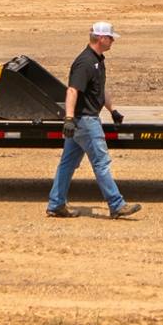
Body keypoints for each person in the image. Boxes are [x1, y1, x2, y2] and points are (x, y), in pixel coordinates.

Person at [47, 21, 141, 219]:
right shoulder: (85, 63)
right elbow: (72, 90)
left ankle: (56, 204)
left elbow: (99, 89)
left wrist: (112, 110)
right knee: (101, 162)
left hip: (84, 120)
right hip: (86, 121)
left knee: (67, 163)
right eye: (110, 37)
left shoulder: (98, 60)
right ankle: (116, 204)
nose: (113, 40)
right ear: (100, 38)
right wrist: (69, 118)